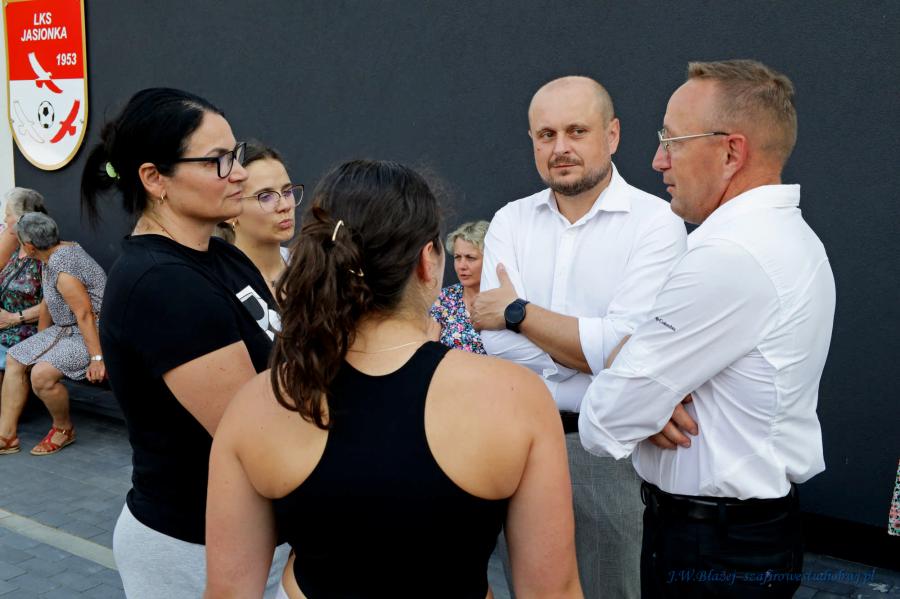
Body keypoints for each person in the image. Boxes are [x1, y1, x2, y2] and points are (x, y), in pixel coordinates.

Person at [204, 160, 582, 599]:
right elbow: (553, 591)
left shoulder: (260, 402)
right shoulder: (516, 398)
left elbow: (229, 592)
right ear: (427, 261)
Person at [578, 59, 836, 598]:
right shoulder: (790, 236)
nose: (657, 160)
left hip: (711, 547)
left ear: (731, 152)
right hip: (745, 535)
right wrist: (649, 391)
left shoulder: (730, 255)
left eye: (671, 140)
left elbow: (606, 421)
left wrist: (641, 394)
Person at [471, 76, 686, 598]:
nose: (560, 147)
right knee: (531, 588)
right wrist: (594, 349)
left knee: (612, 588)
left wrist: (519, 313)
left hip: (606, 451)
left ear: (612, 135)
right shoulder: (510, 220)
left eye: (576, 131)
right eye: (546, 135)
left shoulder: (657, 224)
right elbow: (496, 344)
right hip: (516, 443)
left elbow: (632, 346)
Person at [81, 88, 286, 598]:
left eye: (236, 155)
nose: (240, 173)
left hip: (252, 536)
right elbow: (261, 437)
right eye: (218, 161)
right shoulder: (161, 283)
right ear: (155, 179)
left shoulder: (222, 256)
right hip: (195, 549)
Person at [0, 213, 106, 456]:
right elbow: (49, 302)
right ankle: (6, 436)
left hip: (94, 332)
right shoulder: (53, 253)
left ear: (29, 246)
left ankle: (63, 429)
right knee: (16, 357)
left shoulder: (64, 268)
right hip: (65, 329)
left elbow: (85, 314)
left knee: (41, 376)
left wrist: (97, 358)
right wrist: (39, 341)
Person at [220, 142, 302, 298]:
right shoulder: (217, 281)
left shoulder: (310, 270)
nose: (285, 206)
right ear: (229, 212)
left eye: (287, 192)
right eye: (265, 197)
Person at [0, 188, 48, 389]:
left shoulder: (45, 256)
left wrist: (14, 318)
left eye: (8, 215)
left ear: (23, 219)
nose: (4, 219)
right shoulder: (15, 250)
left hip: (25, 331)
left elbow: (52, 304)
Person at [430, 220, 490, 354]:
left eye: (470, 258)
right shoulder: (444, 299)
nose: (461, 266)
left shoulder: (505, 298)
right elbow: (430, 350)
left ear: (490, 258)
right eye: (457, 257)